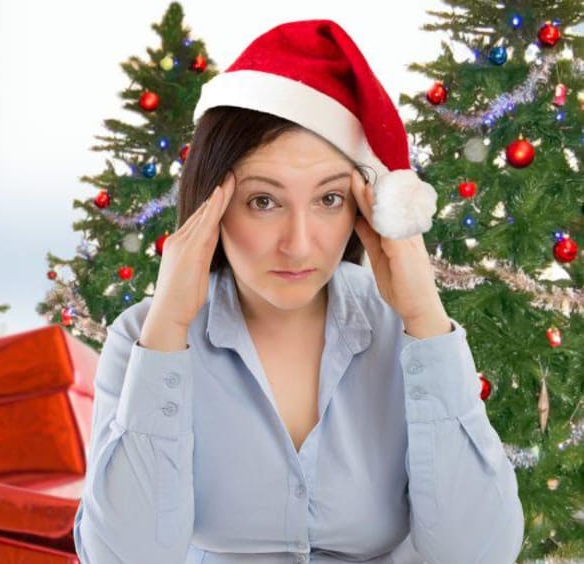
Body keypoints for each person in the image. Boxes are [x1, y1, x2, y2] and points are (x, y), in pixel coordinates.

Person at [73, 19, 525, 564]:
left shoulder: (403, 331)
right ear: (210, 207)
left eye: (329, 200)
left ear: (366, 207)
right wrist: (168, 330)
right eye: (264, 201)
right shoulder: (144, 338)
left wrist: (426, 318)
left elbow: (477, 555)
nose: (299, 244)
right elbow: (123, 557)